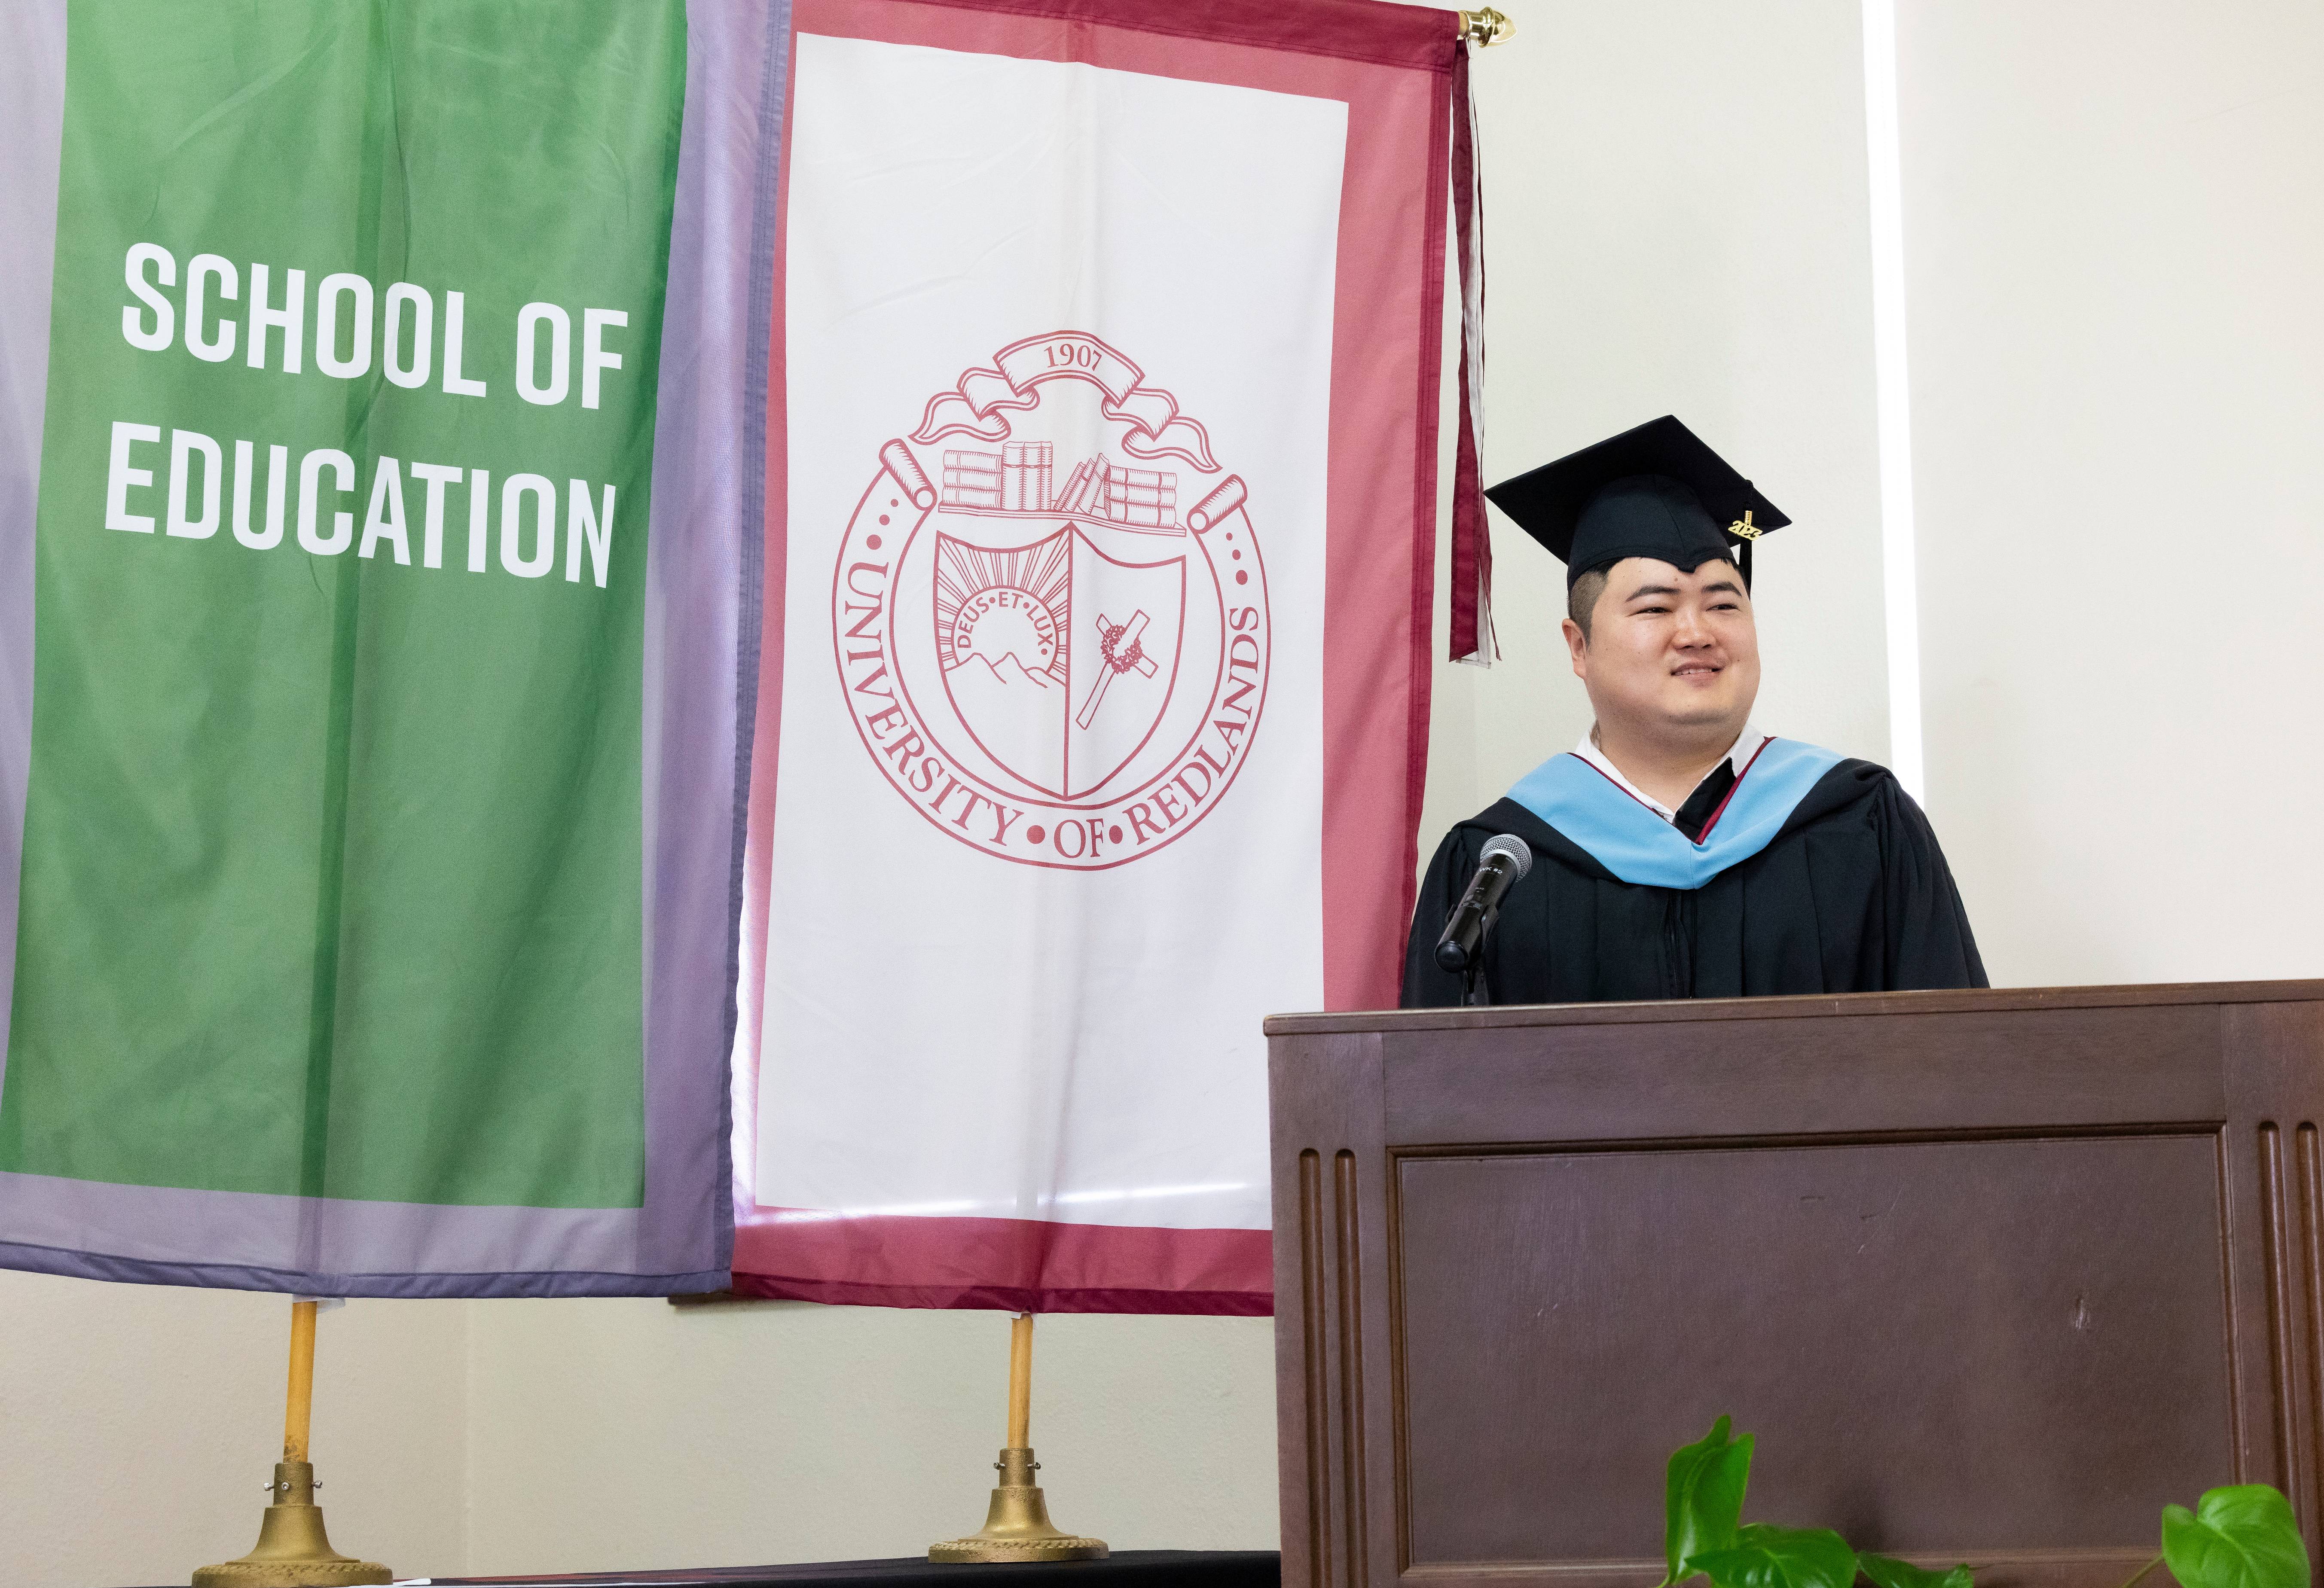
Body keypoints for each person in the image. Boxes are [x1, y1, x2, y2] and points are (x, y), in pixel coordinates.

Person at [1402, 415, 1985, 1007]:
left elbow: (1956, 1063)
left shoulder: (1863, 822)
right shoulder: (1496, 868)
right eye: (1655, 609)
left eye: (1723, 604)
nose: (1696, 632)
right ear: (1579, 647)